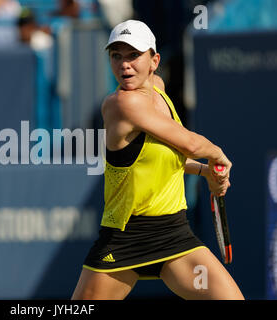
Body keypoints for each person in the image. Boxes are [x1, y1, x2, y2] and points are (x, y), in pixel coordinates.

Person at [71, 20, 244, 300]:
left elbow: (165, 157)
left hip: (173, 234)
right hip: (125, 237)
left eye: (133, 55)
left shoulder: (159, 90)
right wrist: (218, 156)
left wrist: (204, 171)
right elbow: (188, 143)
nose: (124, 64)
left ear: (154, 60)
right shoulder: (121, 104)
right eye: (116, 55)